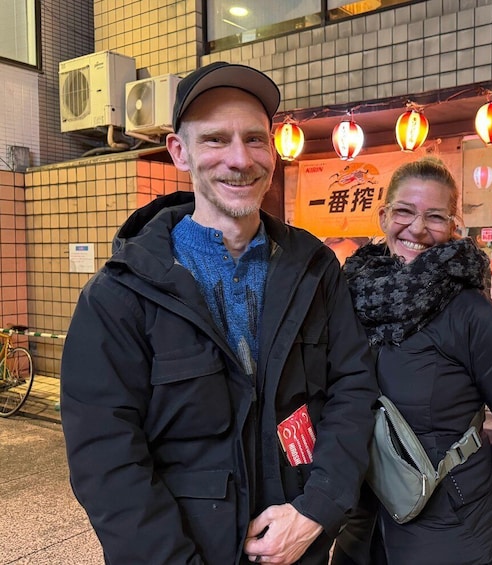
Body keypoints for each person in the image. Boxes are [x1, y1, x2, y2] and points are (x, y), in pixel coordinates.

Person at [59, 62, 379, 565]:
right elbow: (106, 456)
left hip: (298, 545)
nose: (240, 159)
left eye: (255, 139)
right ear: (178, 152)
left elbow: (353, 390)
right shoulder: (121, 292)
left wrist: (317, 510)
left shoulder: (314, 268)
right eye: (215, 140)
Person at [332, 157, 492, 565]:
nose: (417, 228)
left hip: (454, 541)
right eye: (404, 211)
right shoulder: (349, 296)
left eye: (435, 217)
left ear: (452, 226)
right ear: (383, 216)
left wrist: (461, 485)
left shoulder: (471, 313)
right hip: (362, 532)